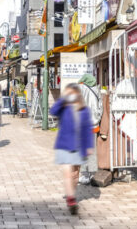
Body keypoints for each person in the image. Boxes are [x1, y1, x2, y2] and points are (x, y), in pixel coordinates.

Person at [50, 83, 94, 216]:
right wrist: (63, 99)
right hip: (63, 145)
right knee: (67, 173)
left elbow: (87, 130)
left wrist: (89, 146)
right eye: (68, 93)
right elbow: (53, 111)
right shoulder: (63, 108)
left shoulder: (84, 110)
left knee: (75, 175)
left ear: (78, 94)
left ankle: (71, 195)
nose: (71, 96)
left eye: (72, 93)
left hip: (78, 147)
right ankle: (71, 200)